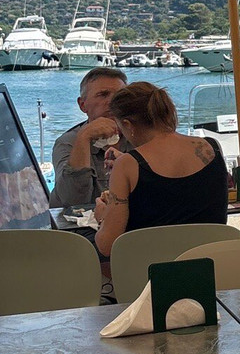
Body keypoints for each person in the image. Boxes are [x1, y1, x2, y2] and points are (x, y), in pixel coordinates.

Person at [94, 82, 228, 257]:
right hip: (211, 264)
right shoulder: (210, 148)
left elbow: (107, 245)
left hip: (150, 269)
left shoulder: (126, 165)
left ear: (128, 125)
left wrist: (102, 217)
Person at [49, 67, 130, 210]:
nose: (113, 101)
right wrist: (84, 138)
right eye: (103, 94)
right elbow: (72, 201)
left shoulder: (140, 137)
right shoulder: (68, 143)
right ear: (82, 105)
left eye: (120, 95)